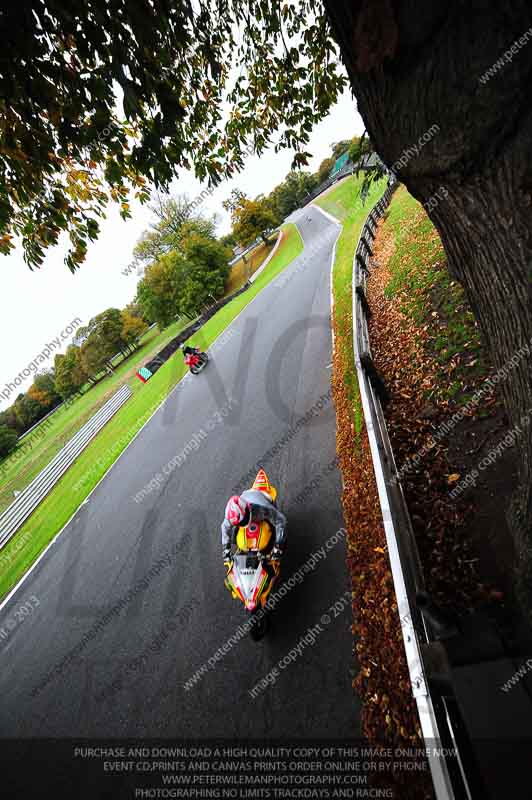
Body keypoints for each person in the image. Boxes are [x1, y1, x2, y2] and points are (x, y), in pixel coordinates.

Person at [221, 492, 286, 565]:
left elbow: (281, 520)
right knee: (234, 536)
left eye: (243, 521)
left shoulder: (263, 509)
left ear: (247, 509)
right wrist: (226, 549)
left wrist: (278, 545)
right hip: (245, 496)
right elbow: (224, 527)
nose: (243, 524)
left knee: (273, 527)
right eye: (240, 523)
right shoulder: (232, 516)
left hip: (261, 497)